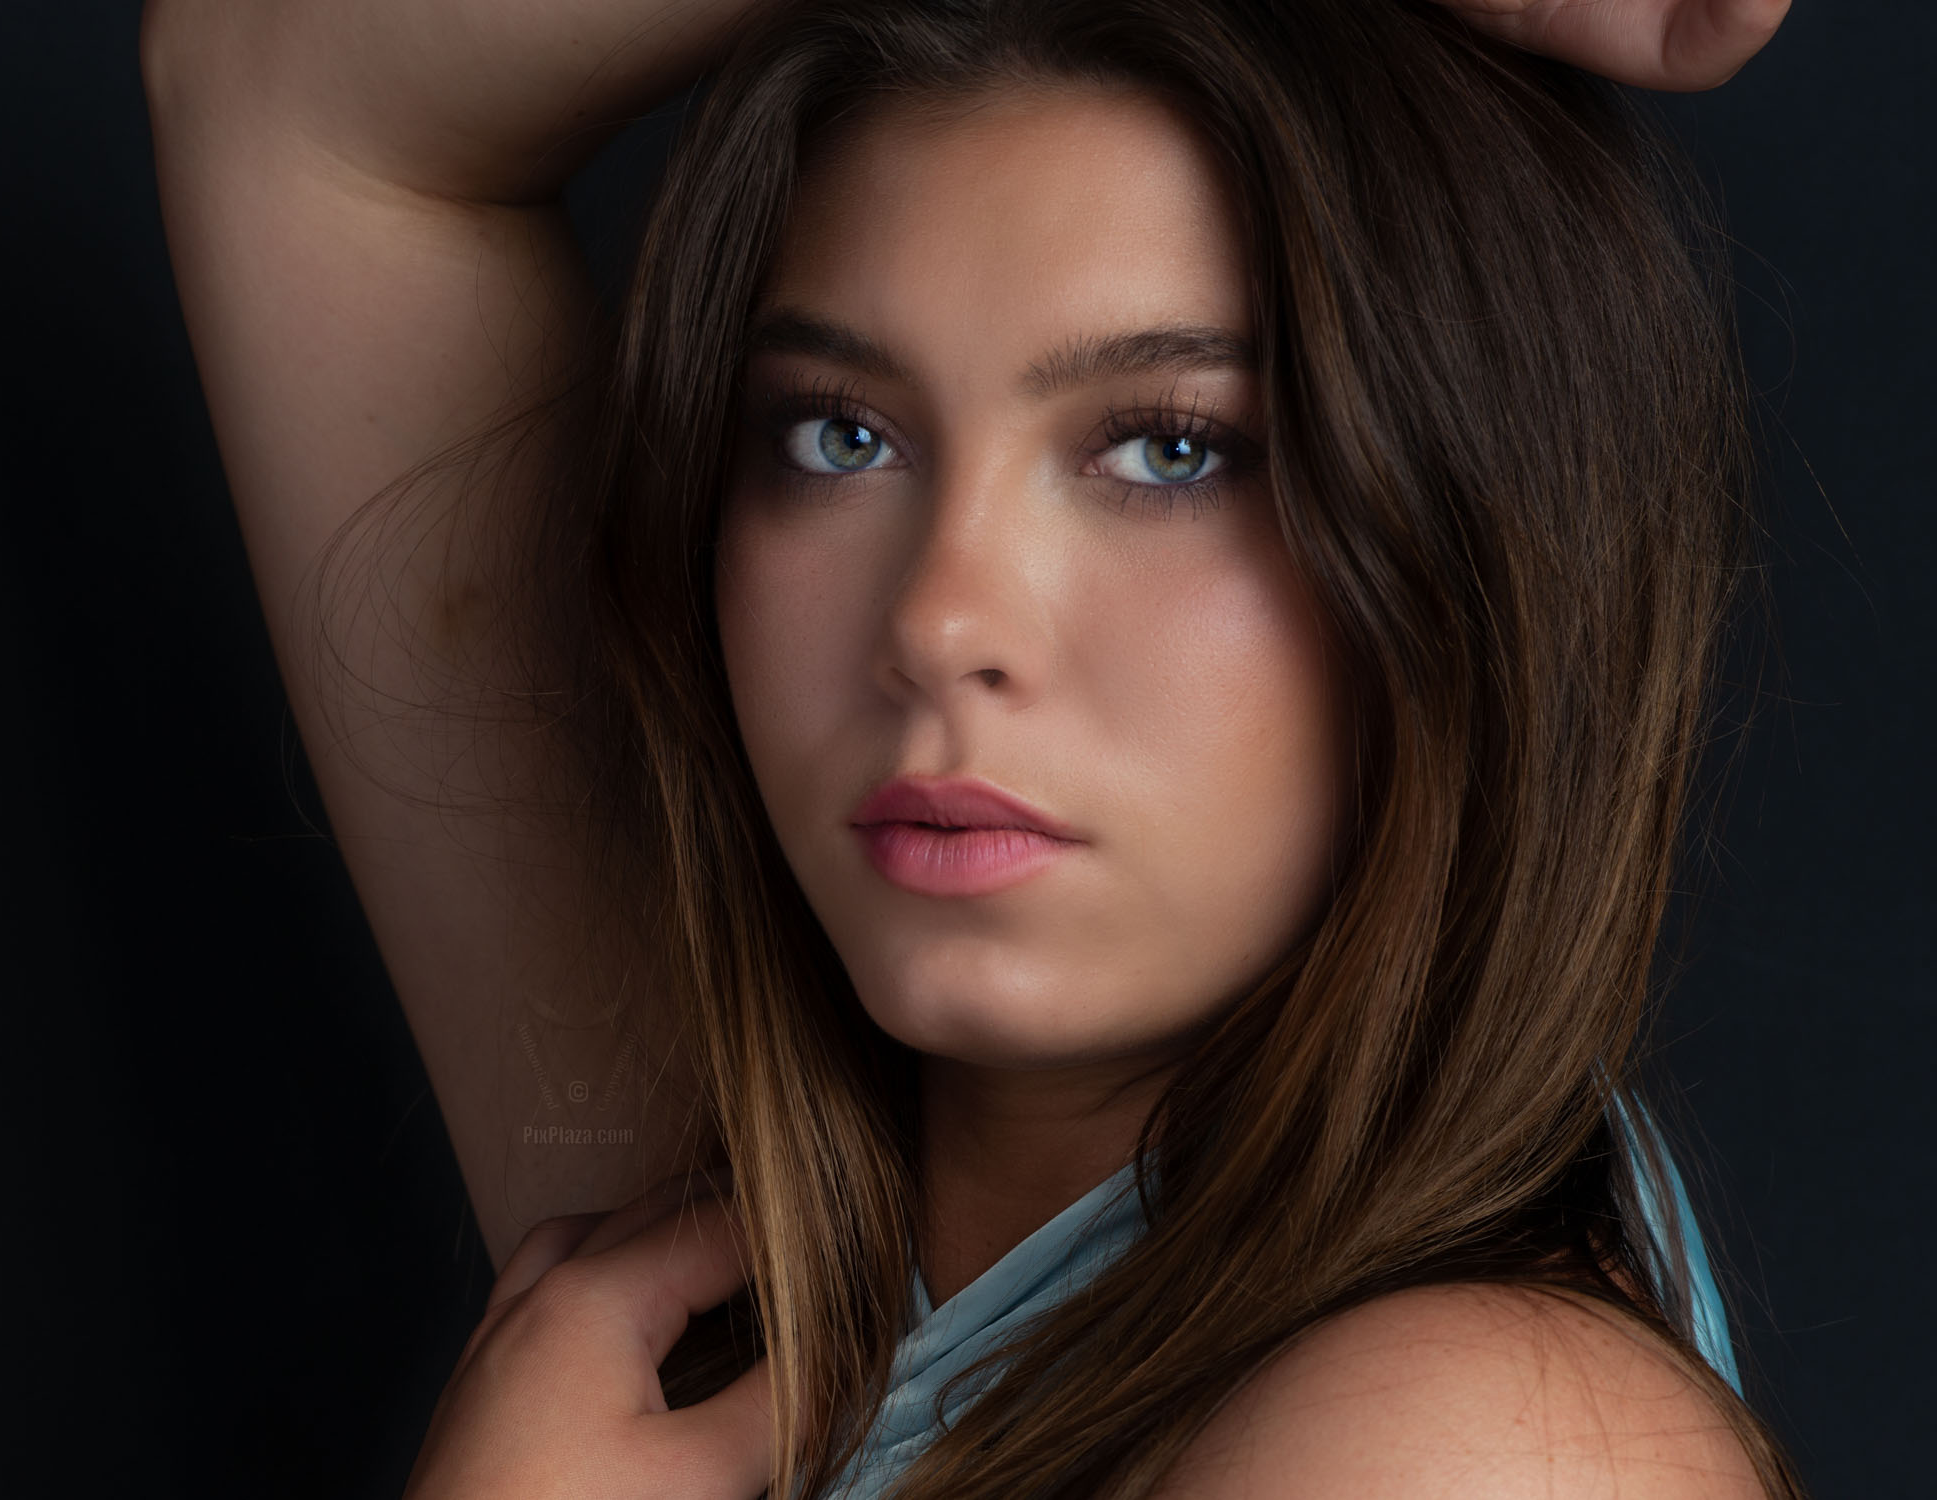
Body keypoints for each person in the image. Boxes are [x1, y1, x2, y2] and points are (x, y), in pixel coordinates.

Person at [138, 0, 1800, 1494]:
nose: (938, 619)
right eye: (840, 436)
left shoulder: (1480, 1449)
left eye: (1168, 450)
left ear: (1487, 560)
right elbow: (273, 72)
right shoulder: (756, 1258)